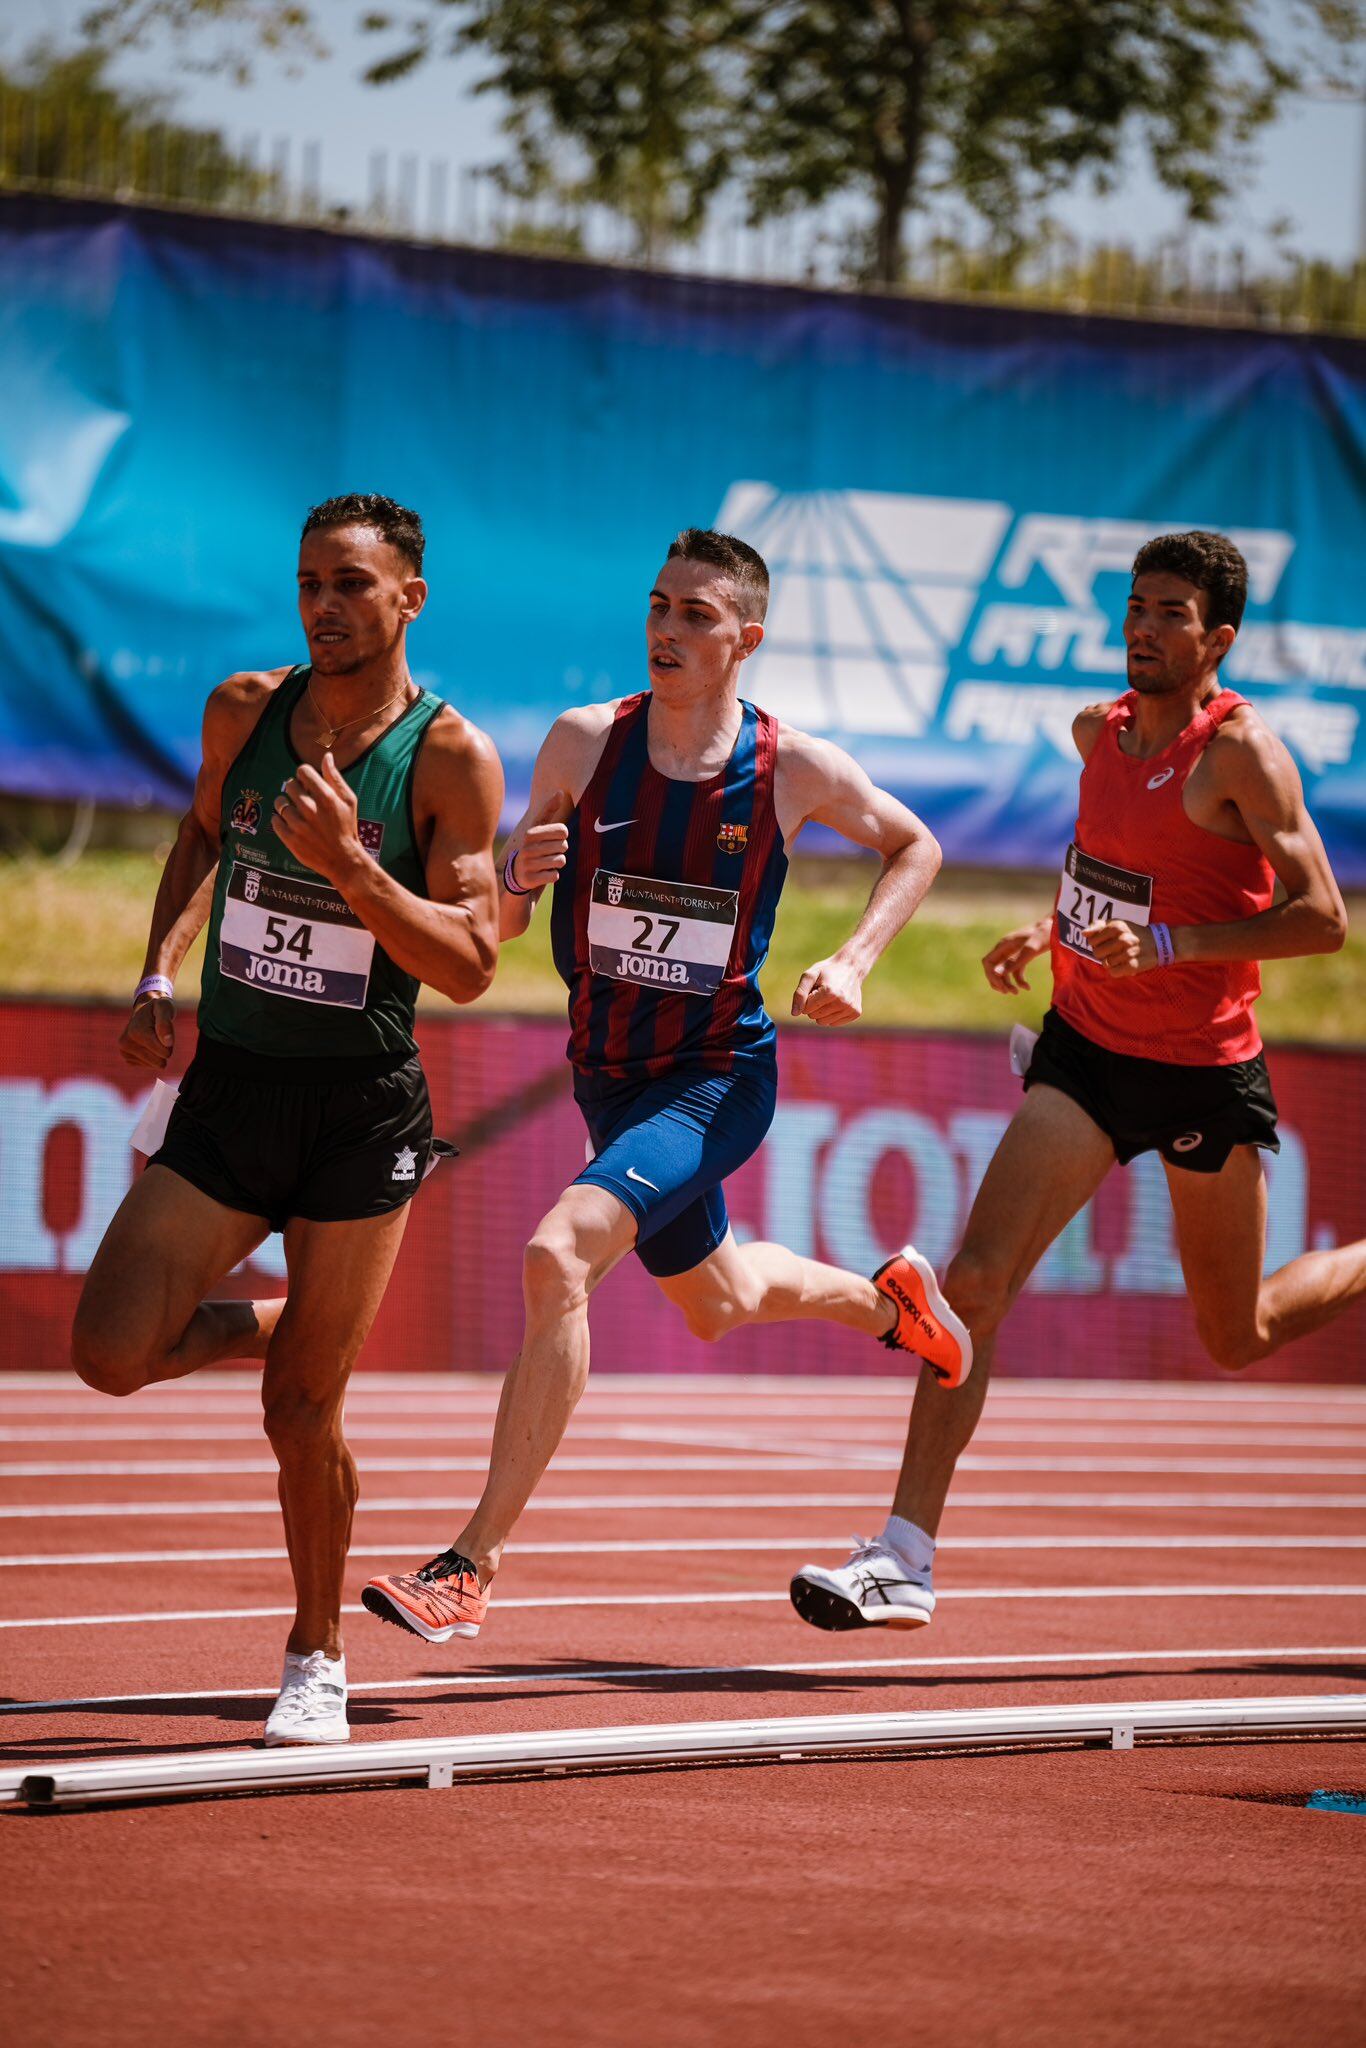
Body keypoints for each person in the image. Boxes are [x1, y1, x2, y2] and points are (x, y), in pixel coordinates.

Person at [361, 526, 959, 1644]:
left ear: (746, 639)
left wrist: (855, 958)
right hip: (607, 1077)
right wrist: (514, 874)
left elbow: (914, 844)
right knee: (718, 1299)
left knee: (557, 1254)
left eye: (695, 613)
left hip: (715, 1077)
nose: (666, 629)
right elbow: (506, 922)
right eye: (656, 606)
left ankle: (470, 1565)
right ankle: (895, 1306)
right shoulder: (585, 742)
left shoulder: (791, 767)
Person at [790, 528, 1362, 1634]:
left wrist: (1175, 947)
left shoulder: (1242, 754)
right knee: (975, 1282)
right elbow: (1111, 864)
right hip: (1089, 1052)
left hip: (1202, 1072)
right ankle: (904, 1553)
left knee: (1236, 1332)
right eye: (1135, 607)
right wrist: (1053, 927)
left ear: (1218, 639)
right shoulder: (1096, 731)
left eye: (1170, 614)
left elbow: (1324, 919)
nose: (1142, 629)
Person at [71, 493, 502, 1741]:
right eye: (311, 581)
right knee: (107, 1351)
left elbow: (472, 963)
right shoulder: (244, 709)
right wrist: (158, 972)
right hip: (231, 1089)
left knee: (299, 1411)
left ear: (410, 597)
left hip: (360, 1113)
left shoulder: (447, 756)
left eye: (352, 584)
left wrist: (355, 869)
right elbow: (203, 835)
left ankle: (316, 1653)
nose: (324, 605)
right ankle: (290, 1317)